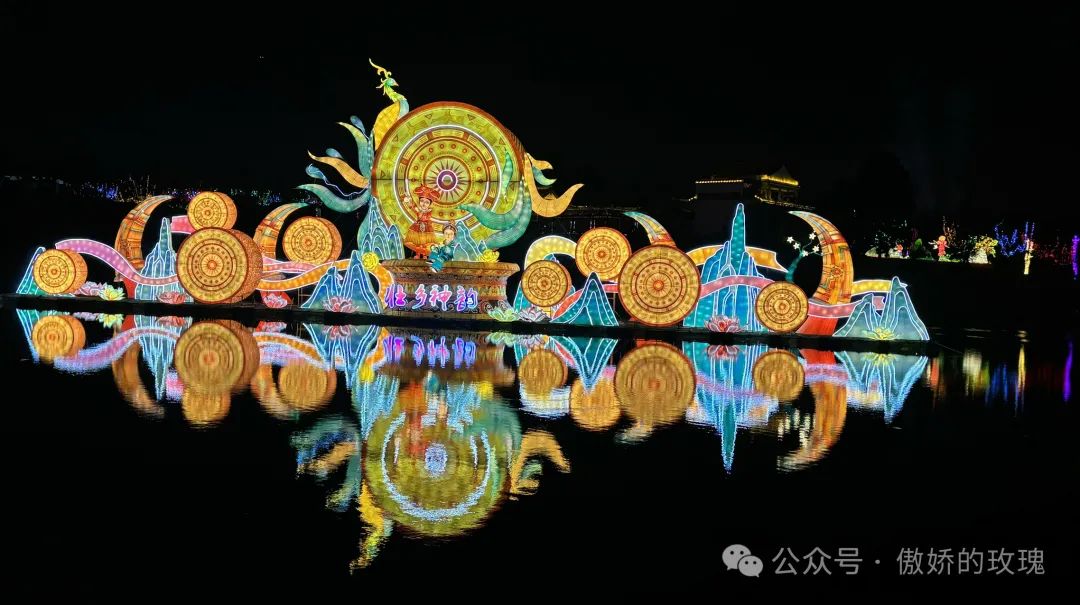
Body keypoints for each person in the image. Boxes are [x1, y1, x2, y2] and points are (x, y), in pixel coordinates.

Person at [404, 185, 441, 258]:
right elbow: (412, 206)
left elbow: (424, 217)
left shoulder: (429, 211)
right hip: (417, 227)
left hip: (426, 228)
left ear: (430, 204)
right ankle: (417, 254)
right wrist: (409, 200)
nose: (424, 204)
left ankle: (425, 255)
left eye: (427, 202)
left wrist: (420, 212)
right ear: (419, 201)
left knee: (425, 244)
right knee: (417, 243)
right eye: (422, 201)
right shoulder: (418, 209)